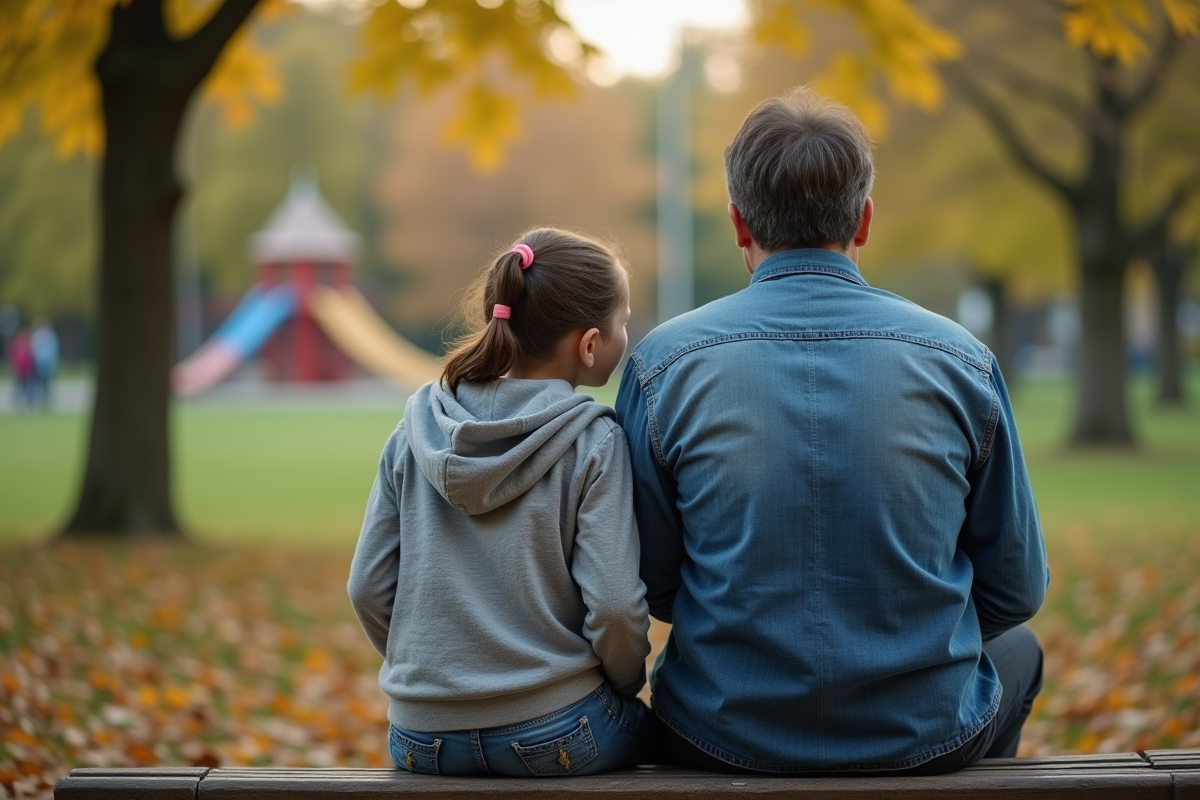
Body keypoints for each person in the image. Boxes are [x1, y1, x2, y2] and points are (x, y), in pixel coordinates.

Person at [615, 87, 1048, 775]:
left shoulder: (662, 366)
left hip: (720, 732)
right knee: (1020, 651)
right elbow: (1016, 589)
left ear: (737, 223)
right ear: (866, 219)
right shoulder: (961, 361)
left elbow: (654, 578)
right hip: (921, 734)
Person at [348, 228, 657, 777]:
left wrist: (434, 680)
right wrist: (625, 681)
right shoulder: (594, 443)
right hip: (557, 728)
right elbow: (614, 608)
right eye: (623, 321)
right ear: (589, 345)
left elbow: (367, 587)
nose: (626, 333)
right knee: (673, 735)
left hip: (419, 736)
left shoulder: (415, 430)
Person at [30, 317, 59, 410]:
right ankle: (42, 401)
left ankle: (45, 401)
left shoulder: (47, 335)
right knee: (41, 384)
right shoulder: (39, 335)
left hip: (45, 363)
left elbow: (53, 350)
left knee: (45, 384)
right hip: (40, 363)